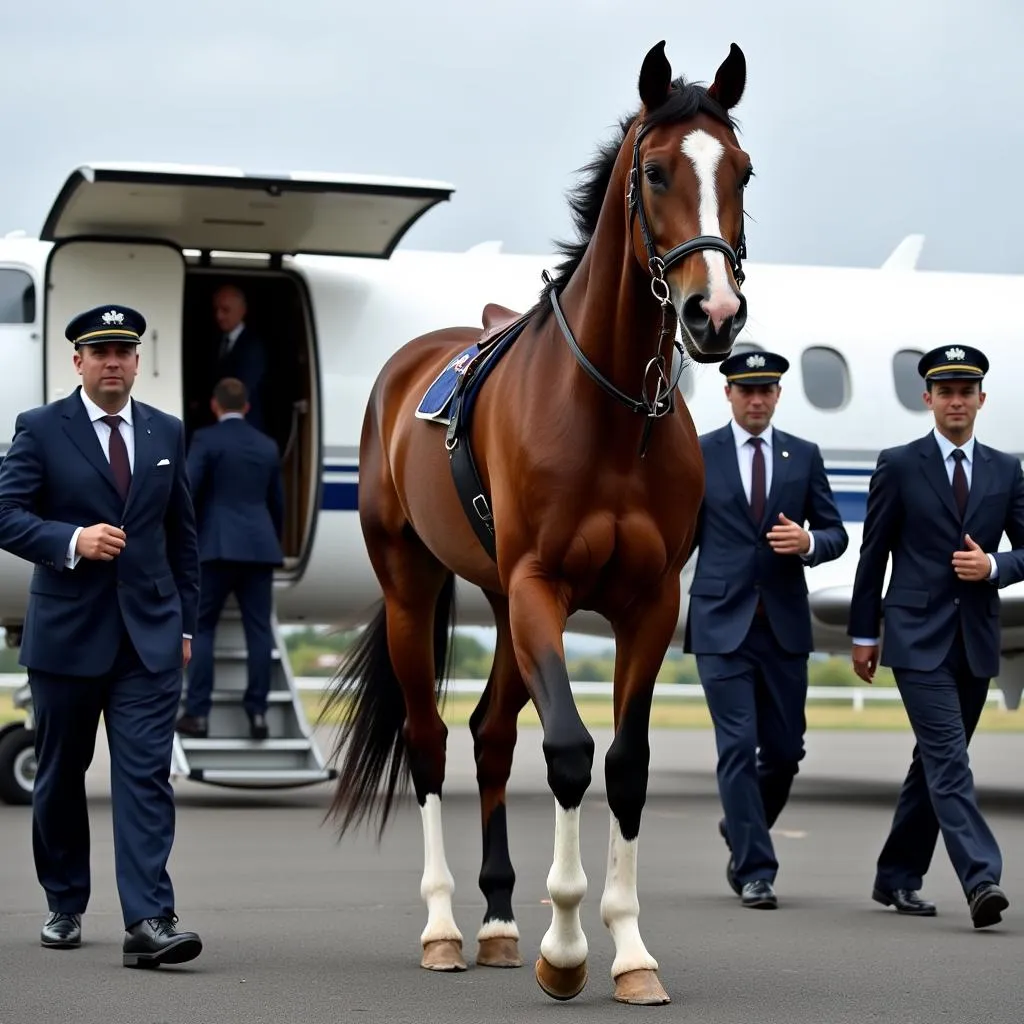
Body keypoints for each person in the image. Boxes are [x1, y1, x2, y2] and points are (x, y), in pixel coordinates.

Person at [0, 304, 202, 966]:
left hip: (148, 639)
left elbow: (183, 541)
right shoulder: (40, 429)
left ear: (138, 362)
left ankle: (149, 920)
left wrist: (188, 628)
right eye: (100, 351)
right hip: (66, 635)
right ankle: (64, 899)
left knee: (146, 777)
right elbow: (6, 515)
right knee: (61, 776)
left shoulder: (167, 431)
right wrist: (71, 540)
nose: (113, 361)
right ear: (78, 362)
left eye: (124, 350)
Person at [848, 344, 1024, 929]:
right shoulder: (899, 464)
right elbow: (873, 555)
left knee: (934, 763)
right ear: (928, 400)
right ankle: (981, 878)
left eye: (965, 392)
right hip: (915, 635)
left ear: (981, 400)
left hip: (975, 637)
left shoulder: (1006, 469)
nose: (955, 401)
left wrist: (995, 567)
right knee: (950, 760)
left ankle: (896, 875)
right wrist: (863, 634)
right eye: (944, 392)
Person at [684, 350, 848, 909]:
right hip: (719, 624)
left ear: (777, 396)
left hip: (782, 626)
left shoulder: (803, 456)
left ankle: (742, 826)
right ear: (728, 393)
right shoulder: (698, 453)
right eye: (746, 390)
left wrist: (809, 544)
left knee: (784, 751)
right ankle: (756, 868)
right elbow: (679, 534)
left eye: (767, 391)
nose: (757, 400)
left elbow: (834, 532)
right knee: (736, 746)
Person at [176, 377, 284, 741]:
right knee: (259, 632)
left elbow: (188, 490)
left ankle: (198, 714)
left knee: (201, 628)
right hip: (260, 548)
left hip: (216, 545)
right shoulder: (267, 445)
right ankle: (257, 714)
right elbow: (277, 504)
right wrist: (273, 541)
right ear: (247, 407)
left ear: (214, 405)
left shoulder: (206, 439)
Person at [208, 284, 268, 434]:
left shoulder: (253, 346)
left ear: (242, 311)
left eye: (225, 310)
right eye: (216, 310)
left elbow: (245, 387)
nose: (219, 316)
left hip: (244, 425)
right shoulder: (215, 341)